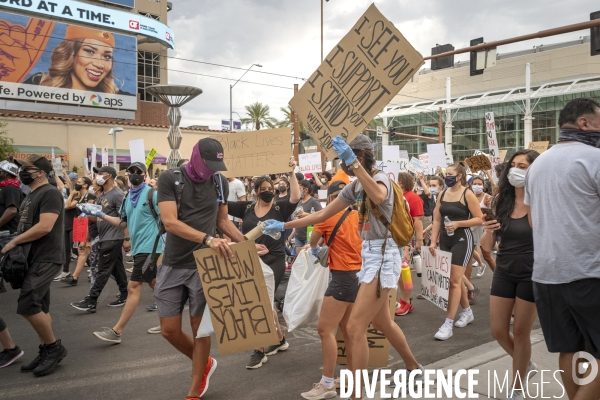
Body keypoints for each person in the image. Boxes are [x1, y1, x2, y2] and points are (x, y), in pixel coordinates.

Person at [264, 135, 423, 400]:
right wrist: (284, 226)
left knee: (354, 328)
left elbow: (380, 195)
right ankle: (413, 367)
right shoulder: (355, 186)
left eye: (346, 158)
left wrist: (355, 166)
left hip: (383, 255)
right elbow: (323, 215)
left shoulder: (378, 178)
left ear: (358, 156)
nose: (343, 165)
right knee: (382, 321)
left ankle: (356, 395)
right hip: (370, 255)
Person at [156, 138, 267, 400]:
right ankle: (203, 363)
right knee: (169, 330)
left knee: (200, 328)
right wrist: (207, 238)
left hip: (206, 266)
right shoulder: (169, 179)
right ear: (195, 157)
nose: (212, 170)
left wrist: (246, 245)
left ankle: (195, 386)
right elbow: (170, 222)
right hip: (173, 262)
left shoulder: (218, 181)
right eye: (209, 164)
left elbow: (223, 222)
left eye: (217, 165)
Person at [525, 98, 600, 400]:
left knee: (570, 349)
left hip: (546, 275)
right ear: (583, 123)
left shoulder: (538, 164)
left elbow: (533, 221)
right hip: (589, 272)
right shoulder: (594, 158)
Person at [227, 164, 300, 369]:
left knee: (260, 301)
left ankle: (258, 350)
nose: (268, 191)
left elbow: (295, 196)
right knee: (264, 301)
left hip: (274, 260)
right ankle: (279, 339)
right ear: (256, 190)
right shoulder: (247, 208)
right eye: (264, 188)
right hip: (252, 259)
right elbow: (222, 205)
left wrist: (292, 172)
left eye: (271, 188)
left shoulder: (280, 208)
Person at [481, 149, 540, 400]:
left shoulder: (542, 201)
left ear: (534, 170)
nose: (517, 170)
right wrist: (488, 230)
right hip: (504, 269)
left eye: (524, 166)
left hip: (532, 272)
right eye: (514, 165)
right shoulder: (500, 202)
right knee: (497, 330)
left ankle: (517, 387)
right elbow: (486, 246)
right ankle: (526, 365)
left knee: (521, 333)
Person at [2, 155, 67, 376]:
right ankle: (45, 349)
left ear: (40, 173)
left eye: (26, 169)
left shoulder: (50, 193)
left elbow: (45, 227)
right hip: (33, 257)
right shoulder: (32, 194)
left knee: (28, 304)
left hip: (46, 257)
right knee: (41, 307)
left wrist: (13, 241)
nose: (21, 172)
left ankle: (53, 349)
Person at [83, 162, 162, 343]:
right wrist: (101, 214)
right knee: (155, 284)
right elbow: (123, 223)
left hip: (150, 247)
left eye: (138, 172)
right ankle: (170, 318)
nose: (135, 174)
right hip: (139, 247)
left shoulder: (153, 194)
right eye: (131, 171)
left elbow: (167, 219)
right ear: (127, 175)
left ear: (144, 175)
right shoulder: (127, 198)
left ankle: (116, 331)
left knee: (133, 287)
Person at [300, 181, 362, 400]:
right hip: (359, 276)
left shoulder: (327, 216)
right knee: (349, 331)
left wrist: (317, 249)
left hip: (342, 277)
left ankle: (327, 383)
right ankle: (350, 378)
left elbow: (313, 242)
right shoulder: (358, 215)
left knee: (325, 329)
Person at [429, 161, 483, 341]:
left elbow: (479, 219)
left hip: (462, 239)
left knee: (454, 281)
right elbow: (437, 219)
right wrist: (432, 241)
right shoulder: (442, 193)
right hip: (445, 239)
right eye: (446, 174)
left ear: (459, 176)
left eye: (450, 174)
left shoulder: (467, 194)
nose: (447, 177)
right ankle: (467, 312)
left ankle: (448, 324)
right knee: (454, 279)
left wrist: (459, 223)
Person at [71, 166, 128, 313]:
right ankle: (125, 293)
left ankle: (91, 300)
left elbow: (125, 219)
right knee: (117, 269)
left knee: (102, 269)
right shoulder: (102, 195)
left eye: (100, 174)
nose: (97, 177)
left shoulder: (117, 195)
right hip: (103, 237)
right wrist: (85, 213)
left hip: (113, 238)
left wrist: (126, 238)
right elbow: (96, 219)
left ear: (109, 176)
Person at [24, 26, 132, 95]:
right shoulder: (39, 83)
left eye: (107, 56)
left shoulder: (121, 98)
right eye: (89, 51)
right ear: (70, 53)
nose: (99, 64)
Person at [395, 172, 423, 316]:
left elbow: (417, 221)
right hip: (396, 239)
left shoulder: (412, 198)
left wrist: (419, 240)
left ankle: (406, 301)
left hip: (404, 239)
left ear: (402, 183)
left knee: (402, 271)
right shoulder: (397, 196)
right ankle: (403, 299)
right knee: (398, 271)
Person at [60, 176, 96, 286]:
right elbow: (66, 206)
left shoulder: (89, 196)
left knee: (84, 249)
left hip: (88, 225)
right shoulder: (78, 197)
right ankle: (91, 271)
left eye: (79, 182)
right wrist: (72, 194)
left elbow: (91, 211)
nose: (77, 183)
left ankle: (75, 277)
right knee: (80, 250)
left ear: (85, 185)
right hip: (79, 225)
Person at [470, 175, 496, 278]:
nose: (477, 186)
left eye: (479, 184)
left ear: (483, 186)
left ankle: (499, 278)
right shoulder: (468, 195)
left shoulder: (487, 197)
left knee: (487, 256)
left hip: (483, 228)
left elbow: (492, 213)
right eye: (475, 184)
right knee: (468, 253)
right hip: (470, 226)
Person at [293, 180, 323, 256]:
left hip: (310, 235)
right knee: (300, 259)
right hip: (298, 234)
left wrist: (307, 215)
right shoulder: (298, 201)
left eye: (299, 189)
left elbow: (322, 217)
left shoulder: (314, 202)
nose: (297, 191)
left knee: (309, 259)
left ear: (305, 190)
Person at [0, 161, 23, 233]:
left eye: (0, 171)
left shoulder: (12, 188)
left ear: (6, 173)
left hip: (7, 233)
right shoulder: (4, 187)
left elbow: (12, 210)